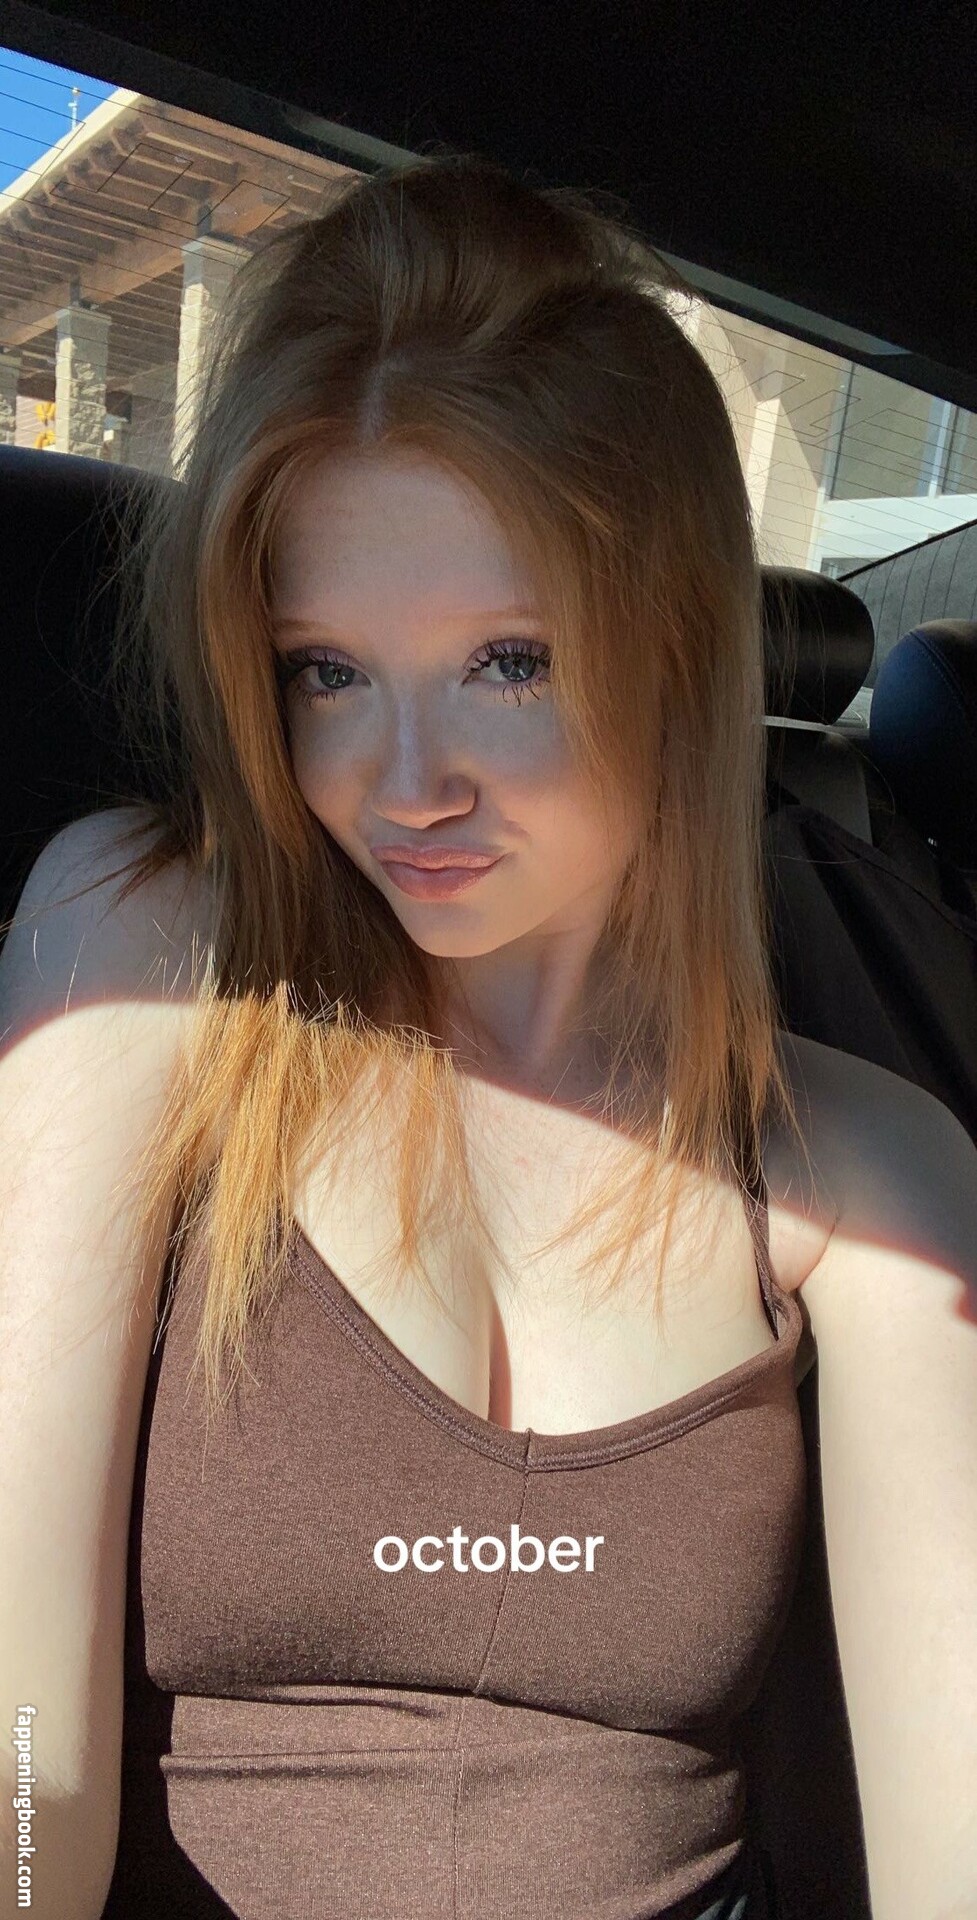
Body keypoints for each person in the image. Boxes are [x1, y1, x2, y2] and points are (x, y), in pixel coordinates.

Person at [1, 151, 973, 1920]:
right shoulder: (150, 957)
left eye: (506, 661)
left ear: (675, 651)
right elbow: (17, 1754)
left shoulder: (866, 1172)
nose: (404, 784)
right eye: (326, 671)